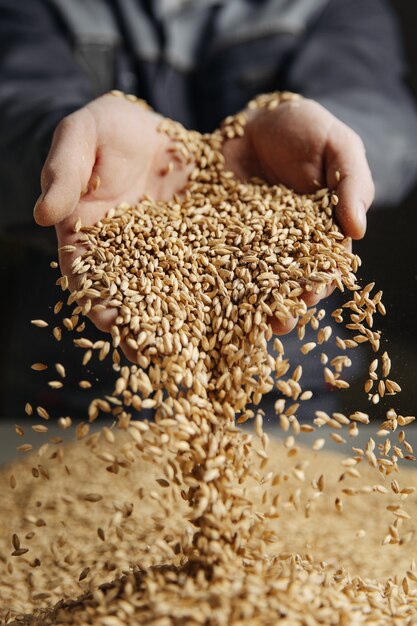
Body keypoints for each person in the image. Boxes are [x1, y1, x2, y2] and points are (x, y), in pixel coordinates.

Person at [0, 0, 417, 419]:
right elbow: (12, 108)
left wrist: (338, 143)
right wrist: (64, 150)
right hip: (77, 387)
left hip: (282, 390)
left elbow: (385, 117)